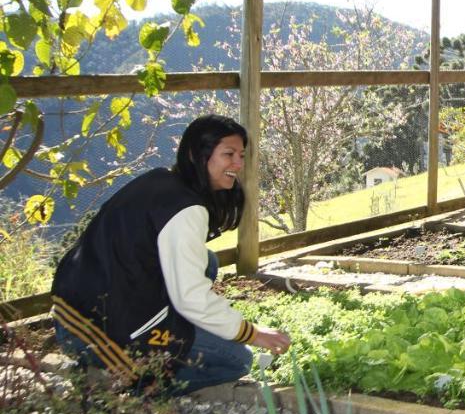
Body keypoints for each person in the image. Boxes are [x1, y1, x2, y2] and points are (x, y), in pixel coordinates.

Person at [52, 115, 290, 394]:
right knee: (235, 360)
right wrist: (253, 332)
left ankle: (113, 359)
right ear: (196, 155)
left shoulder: (161, 179)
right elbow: (191, 298)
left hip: (72, 311)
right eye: (228, 154)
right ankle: (118, 381)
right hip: (98, 331)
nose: (238, 164)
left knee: (207, 262)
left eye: (241, 155)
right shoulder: (187, 209)